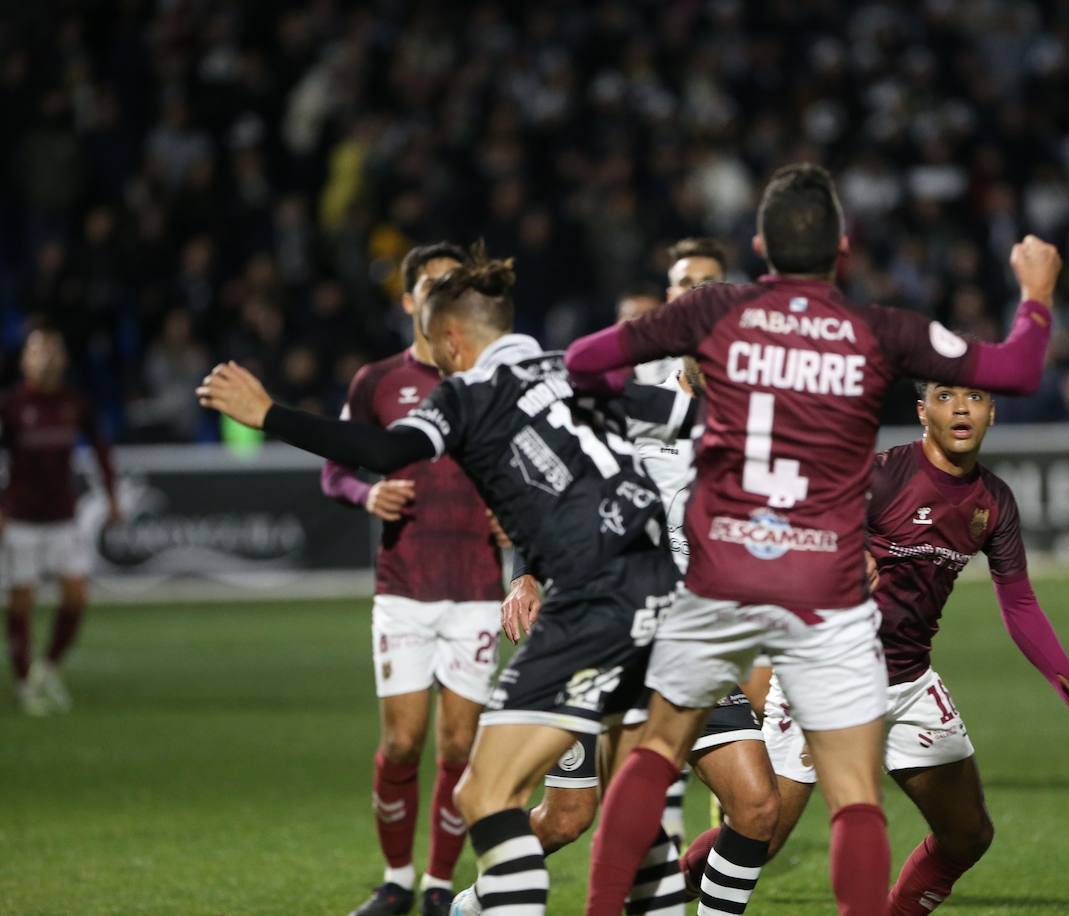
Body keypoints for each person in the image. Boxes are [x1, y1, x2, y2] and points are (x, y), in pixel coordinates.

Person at [565, 162, 1061, 916]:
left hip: (722, 566)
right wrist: (1036, 291)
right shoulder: (880, 330)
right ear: (844, 247)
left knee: (656, 751)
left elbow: (582, 365)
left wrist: (656, 413)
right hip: (821, 586)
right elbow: (1019, 367)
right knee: (855, 797)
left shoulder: (713, 312)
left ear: (761, 244)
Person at [197, 243, 696, 916]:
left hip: (592, 597)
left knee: (485, 795)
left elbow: (382, 450)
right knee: (637, 802)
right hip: (665, 589)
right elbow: (691, 419)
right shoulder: (574, 367)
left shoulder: (468, 394)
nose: (437, 361)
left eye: (438, 349)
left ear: (455, 340)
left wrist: (269, 415)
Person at [461, 237, 780, 916]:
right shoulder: (632, 405)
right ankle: (474, 905)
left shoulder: (757, 427)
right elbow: (559, 496)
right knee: (571, 818)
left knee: (755, 809)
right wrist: (527, 577)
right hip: (605, 631)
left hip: (693, 637)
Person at [752, 380, 1069, 914]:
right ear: (922, 412)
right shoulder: (880, 474)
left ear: (992, 414)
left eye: (976, 398)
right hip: (824, 679)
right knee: (759, 836)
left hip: (908, 684)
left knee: (967, 834)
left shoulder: (994, 501)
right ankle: (661, 890)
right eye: (945, 396)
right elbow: (779, 528)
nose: (962, 407)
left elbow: (1019, 603)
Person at [318, 243, 507, 916]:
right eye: (431, 286)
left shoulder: (489, 379)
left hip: (479, 586)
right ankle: (396, 878)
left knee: (459, 745)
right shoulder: (377, 382)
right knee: (402, 742)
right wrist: (364, 496)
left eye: (454, 285)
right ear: (408, 301)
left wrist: (513, 514)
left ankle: (437, 884)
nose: (442, 296)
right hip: (405, 582)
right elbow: (335, 468)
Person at [2, 325, 119, 716]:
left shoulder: (74, 402)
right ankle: (23, 683)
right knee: (21, 602)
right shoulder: (11, 406)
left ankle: (48, 669)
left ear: (64, 359)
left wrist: (112, 496)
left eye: (54, 350)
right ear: (25, 359)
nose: (47, 357)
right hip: (20, 517)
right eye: (39, 350)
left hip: (62, 516)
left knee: (76, 595)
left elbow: (101, 447)